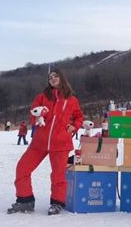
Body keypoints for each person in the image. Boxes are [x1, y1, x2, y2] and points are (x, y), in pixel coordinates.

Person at [7, 69, 84, 215]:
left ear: (62, 78)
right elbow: (33, 113)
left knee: (58, 175)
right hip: (40, 142)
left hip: (61, 143)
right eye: (50, 77)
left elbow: (79, 117)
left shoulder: (72, 100)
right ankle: (25, 201)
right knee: (22, 168)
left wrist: (74, 126)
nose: (52, 79)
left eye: (55, 76)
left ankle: (56, 203)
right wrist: (36, 118)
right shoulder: (42, 97)